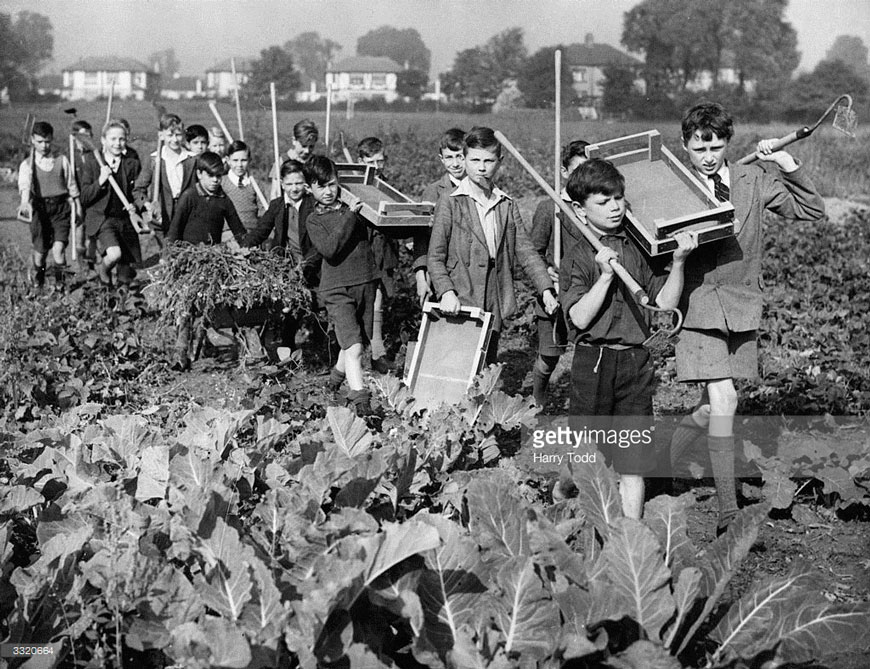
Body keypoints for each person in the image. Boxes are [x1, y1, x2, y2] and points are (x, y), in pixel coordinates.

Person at [668, 101, 825, 534]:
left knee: (708, 408)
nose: (709, 156)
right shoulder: (673, 186)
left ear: (727, 144)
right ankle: (727, 512)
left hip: (741, 307)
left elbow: (812, 211)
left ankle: (662, 462)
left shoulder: (752, 179)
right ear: (684, 146)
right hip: (697, 307)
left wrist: (787, 163)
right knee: (726, 401)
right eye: (700, 148)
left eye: (717, 146)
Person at [560, 158, 698, 519]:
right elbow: (578, 317)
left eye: (618, 198)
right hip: (594, 362)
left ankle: (628, 536)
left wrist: (679, 262)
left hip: (635, 363)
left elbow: (662, 306)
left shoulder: (640, 251)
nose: (615, 207)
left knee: (632, 460)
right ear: (580, 210)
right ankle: (572, 501)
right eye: (603, 202)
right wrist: (605, 277)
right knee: (588, 453)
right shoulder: (578, 257)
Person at [427, 126, 558, 365]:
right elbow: (435, 256)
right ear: (464, 160)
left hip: (493, 298)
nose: (481, 167)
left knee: (486, 365)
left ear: (500, 162)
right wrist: (446, 291)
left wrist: (546, 288)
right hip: (461, 297)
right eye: (475, 160)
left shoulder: (505, 204)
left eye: (488, 161)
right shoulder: (451, 201)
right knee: (457, 365)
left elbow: (526, 253)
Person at [304, 155, 378, 416]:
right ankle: (362, 405)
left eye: (332, 184)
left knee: (354, 344)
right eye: (320, 186)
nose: (328, 191)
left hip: (365, 280)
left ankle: (333, 383)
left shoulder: (357, 209)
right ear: (309, 189)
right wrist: (350, 215)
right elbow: (330, 249)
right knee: (354, 347)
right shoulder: (315, 220)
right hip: (336, 288)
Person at [166, 151, 249, 370]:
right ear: (200, 174)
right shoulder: (189, 197)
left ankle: (197, 350)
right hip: (187, 259)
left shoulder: (222, 199)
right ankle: (180, 352)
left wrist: (249, 247)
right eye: (211, 176)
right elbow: (174, 231)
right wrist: (173, 258)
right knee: (185, 306)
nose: (215, 180)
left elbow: (238, 229)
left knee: (204, 305)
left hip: (211, 260)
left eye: (218, 176)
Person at [528, 139, 589, 408]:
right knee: (550, 355)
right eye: (576, 171)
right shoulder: (549, 208)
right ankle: (537, 397)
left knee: (589, 355)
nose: (583, 178)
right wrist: (547, 278)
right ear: (564, 172)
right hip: (554, 294)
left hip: (587, 294)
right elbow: (533, 254)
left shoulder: (595, 209)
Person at [243, 159, 320, 356]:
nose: (294, 188)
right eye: (290, 184)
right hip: (288, 264)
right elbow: (262, 229)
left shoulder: (313, 205)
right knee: (288, 308)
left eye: (298, 183)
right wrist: (244, 246)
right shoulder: (278, 205)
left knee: (317, 305)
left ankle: (320, 348)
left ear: (305, 183)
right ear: (283, 184)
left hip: (313, 262)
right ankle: (286, 348)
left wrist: (306, 264)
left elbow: (319, 244)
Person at [17, 121, 82, 289]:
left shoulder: (61, 160)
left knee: (59, 250)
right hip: (39, 210)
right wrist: (25, 203)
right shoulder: (27, 165)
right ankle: (38, 281)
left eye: (47, 141)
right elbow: (24, 187)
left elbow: (72, 185)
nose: (44, 146)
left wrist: (78, 207)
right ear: (32, 140)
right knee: (40, 253)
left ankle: (62, 286)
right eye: (39, 142)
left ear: (52, 139)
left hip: (61, 209)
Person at [79, 120, 142, 288]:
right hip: (104, 219)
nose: (117, 143)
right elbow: (84, 197)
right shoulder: (93, 162)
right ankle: (103, 271)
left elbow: (138, 192)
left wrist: (136, 206)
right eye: (113, 139)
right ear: (103, 140)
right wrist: (100, 180)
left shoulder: (132, 163)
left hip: (126, 220)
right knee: (114, 254)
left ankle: (120, 306)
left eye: (121, 139)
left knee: (125, 273)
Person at [414, 127, 466, 304]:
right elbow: (421, 238)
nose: (456, 163)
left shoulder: (480, 189)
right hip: (440, 274)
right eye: (449, 158)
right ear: (441, 159)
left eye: (460, 156)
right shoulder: (433, 192)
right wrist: (421, 277)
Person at [358, 136, 396, 373]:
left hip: (384, 249)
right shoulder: (354, 186)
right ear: (361, 161)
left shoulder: (386, 184)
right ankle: (361, 352)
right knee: (364, 300)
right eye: (371, 161)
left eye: (380, 161)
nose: (376, 166)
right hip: (364, 251)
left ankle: (378, 352)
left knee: (380, 296)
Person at [133, 112, 196, 235]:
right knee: (167, 250)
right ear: (161, 136)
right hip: (163, 214)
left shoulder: (192, 159)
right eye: (170, 135)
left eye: (178, 135)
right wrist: (147, 204)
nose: (174, 139)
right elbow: (138, 189)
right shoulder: (154, 160)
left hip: (188, 213)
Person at [222, 140, 265, 234]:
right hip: (229, 232)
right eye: (235, 160)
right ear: (228, 160)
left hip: (252, 232)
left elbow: (262, 211)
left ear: (249, 160)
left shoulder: (256, 184)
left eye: (243, 160)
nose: (239, 165)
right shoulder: (222, 183)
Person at [71, 119, 96, 272]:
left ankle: (91, 263)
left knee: (91, 234)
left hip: (91, 198)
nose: (86, 138)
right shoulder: (70, 155)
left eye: (89, 135)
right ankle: (82, 265)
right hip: (76, 200)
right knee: (79, 231)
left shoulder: (93, 155)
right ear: (74, 137)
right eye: (83, 136)